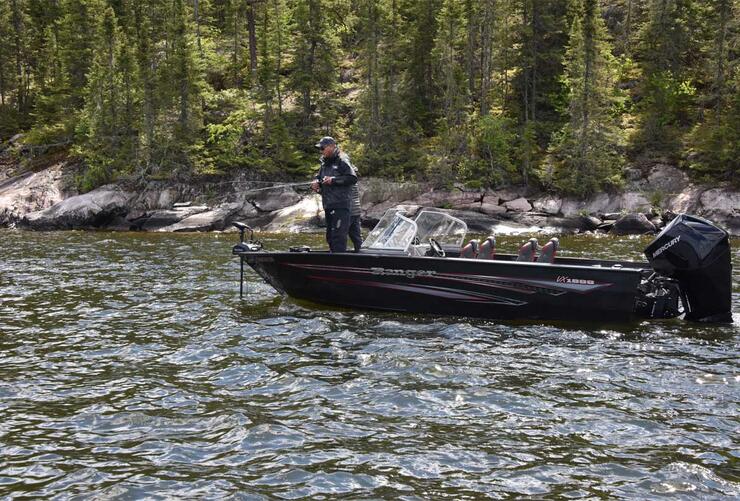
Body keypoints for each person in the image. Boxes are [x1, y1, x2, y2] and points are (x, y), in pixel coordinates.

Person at [311, 136, 357, 252]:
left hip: (341, 205)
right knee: (330, 237)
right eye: (320, 149)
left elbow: (352, 178)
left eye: (323, 148)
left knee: (338, 237)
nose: (321, 151)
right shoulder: (324, 163)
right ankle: (333, 259)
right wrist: (316, 182)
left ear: (332, 147)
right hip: (328, 205)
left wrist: (333, 180)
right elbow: (319, 177)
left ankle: (340, 262)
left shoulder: (342, 160)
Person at [348, 163, 362, 252]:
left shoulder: (348, 180)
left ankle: (338, 258)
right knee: (357, 236)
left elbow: (338, 193)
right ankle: (361, 254)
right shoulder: (353, 180)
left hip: (348, 210)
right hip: (356, 210)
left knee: (339, 236)